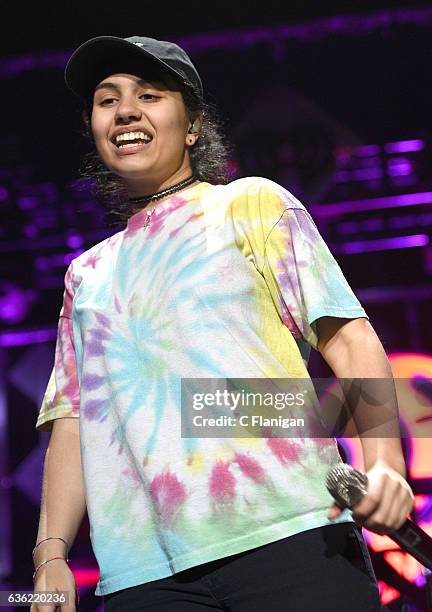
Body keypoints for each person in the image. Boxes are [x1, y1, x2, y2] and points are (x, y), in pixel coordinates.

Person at [31, 35, 414, 611]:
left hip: (290, 534)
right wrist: (50, 555)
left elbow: (350, 339)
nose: (125, 110)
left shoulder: (249, 204)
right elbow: (74, 420)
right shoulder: (86, 273)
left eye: (150, 95)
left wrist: (386, 465)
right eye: (106, 100)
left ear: (192, 127)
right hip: (144, 574)